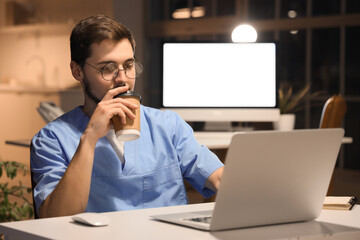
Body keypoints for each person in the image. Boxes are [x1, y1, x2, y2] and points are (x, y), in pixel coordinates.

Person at [30, 15, 224, 218]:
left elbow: (219, 178)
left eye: (129, 65)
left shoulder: (168, 126)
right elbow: (54, 218)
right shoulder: (51, 140)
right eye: (108, 69)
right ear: (77, 71)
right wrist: (90, 138)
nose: (122, 78)